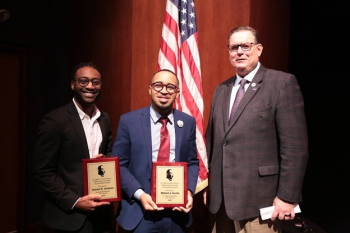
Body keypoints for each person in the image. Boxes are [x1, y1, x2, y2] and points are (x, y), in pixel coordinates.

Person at [203, 26, 309, 233]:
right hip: (222, 202)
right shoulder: (221, 89)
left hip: (261, 202)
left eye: (246, 46)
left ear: (259, 49)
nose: (239, 52)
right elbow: (213, 142)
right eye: (234, 48)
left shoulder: (281, 83)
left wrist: (287, 197)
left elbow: (295, 148)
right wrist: (210, 185)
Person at [112, 69, 199, 233]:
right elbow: (118, 165)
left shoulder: (188, 123)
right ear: (150, 89)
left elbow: (193, 163)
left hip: (176, 215)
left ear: (177, 92)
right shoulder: (129, 121)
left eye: (170, 87)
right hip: (140, 213)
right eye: (158, 85)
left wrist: (189, 192)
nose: (164, 91)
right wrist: (140, 195)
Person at [33, 62, 114, 232]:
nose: (90, 86)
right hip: (69, 217)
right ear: (73, 85)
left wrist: (106, 161)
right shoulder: (55, 120)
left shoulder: (104, 118)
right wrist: (75, 201)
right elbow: (43, 172)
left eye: (95, 82)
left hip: (102, 214)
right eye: (83, 81)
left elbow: (108, 152)